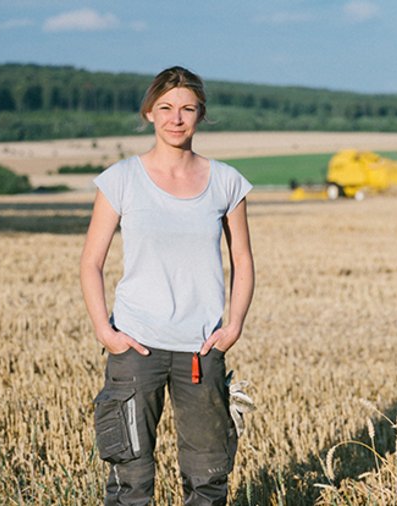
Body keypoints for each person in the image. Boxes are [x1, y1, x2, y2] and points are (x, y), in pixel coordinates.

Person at [80, 66, 255, 506]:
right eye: (165, 108)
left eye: (187, 109)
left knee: (209, 476)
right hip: (136, 346)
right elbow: (91, 262)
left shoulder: (226, 182)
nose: (176, 118)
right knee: (129, 477)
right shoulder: (121, 178)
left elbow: (243, 259)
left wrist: (233, 326)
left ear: (201, 115)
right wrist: (105, 332)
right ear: (149, 113)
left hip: (202, 348)